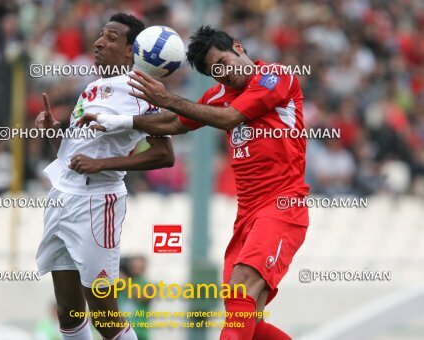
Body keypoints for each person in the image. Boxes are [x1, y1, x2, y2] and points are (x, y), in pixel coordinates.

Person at [81, 25, 310, 340]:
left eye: (223, 63)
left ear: (239, 47)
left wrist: (169, 98)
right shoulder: (217, 95)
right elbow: (176, 122)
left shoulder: (275, 77)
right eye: (213, 72)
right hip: (247, 215)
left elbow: (229, 118)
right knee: (248, 322)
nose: (222, 74)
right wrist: (120, 121)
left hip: (282, 205)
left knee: (243, 285)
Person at [35, 13, 174, 340]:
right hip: (61, 196)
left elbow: (164, 154)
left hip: (97, 203)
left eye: (111, 38)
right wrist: (55, 132)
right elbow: (73, 155)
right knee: (68, 312)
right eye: (100, 36)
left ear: (130, 51)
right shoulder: (93, 89)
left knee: (104, 314)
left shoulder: (140, 89)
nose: (99, 42)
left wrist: (104, 164)